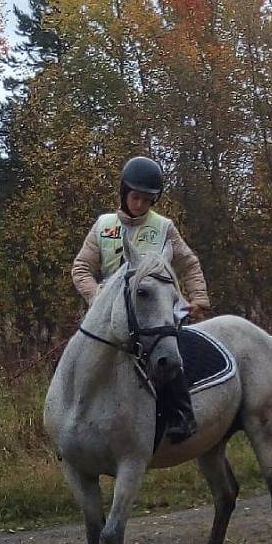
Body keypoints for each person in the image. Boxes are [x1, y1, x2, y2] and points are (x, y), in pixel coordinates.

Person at [71, 156, 211, 443]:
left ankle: (182, 415)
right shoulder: (103, 226)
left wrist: (198, 297)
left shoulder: (164, 227)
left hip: (156, 310)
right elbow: (81, 268)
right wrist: (96, 296)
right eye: (136, 197)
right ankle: (70, 420)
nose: (140, 205)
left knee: (169, 354)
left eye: (147, 200)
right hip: (113, 311)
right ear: (124, 193)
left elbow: (189, 263)